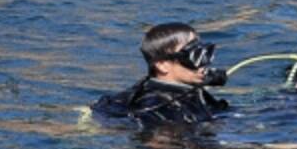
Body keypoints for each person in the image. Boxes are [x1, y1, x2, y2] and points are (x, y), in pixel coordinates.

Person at [91, 23, 229, 128]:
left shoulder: (190, 92)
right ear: (162, 65)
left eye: (206, 54)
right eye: (195, 56)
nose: (204, 64)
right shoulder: (157, 105)